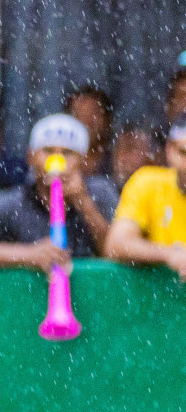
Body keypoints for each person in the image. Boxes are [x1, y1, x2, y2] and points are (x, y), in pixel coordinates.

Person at [0, 113, 117, 273]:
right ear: (31, 156)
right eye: (48, 151)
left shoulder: (101, 192)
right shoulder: (13, 202)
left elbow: (115, 251)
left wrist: (83, 202)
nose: (57, 160)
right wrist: (28, 255)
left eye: (67, 153)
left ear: (83, 160)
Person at [103, 115, 186, 280]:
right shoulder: (148, 182)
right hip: (160, 300)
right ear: (169, 150)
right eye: (184, 152)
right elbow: (116, 244)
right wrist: (170, 254)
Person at [63, 84, 114, 179]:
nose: (86, 122)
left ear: (107, 119)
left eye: (94, 114)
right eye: (78, 115)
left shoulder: (115, 163)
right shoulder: (57, 161)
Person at [111, 125, 159, 192]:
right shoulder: (100, 190)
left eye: (130, 148)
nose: (121, 156)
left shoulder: (161, 195)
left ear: (150, 158)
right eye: (118, 147)